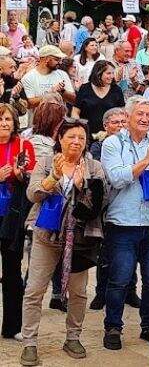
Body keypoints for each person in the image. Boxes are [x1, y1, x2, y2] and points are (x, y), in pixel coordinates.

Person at [21, 118, 106, 366]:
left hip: (79, 239)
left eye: (81, 137)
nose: (76, 142)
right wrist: (54, 178)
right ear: (60, 139)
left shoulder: (94, 166)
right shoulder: (47, 162)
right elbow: (32, 194)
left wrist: (82, 186)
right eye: (71, 137)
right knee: (35, 290)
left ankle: (73, 337)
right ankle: (29, 342)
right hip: (46, 235)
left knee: (78, 292)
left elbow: (101, 202)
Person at [100, 96, 149, 351]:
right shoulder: (112, 143)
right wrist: (146, 160)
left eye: (148, 115)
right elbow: (118, 178)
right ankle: (113, 326)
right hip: (123, 221)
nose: (144, 119)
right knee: (120, 279)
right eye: (140, 114)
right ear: (128, 116)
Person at [0, 104, 35, 339]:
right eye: (0, 119)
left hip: (12, 214)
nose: (4, 123)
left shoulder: (24, 145)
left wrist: (21, 174)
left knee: (12, 270)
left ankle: (13, 326)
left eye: (8, 119)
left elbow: (32, 177)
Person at [22, 45, 75, 123]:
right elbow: (30, 104)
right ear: (46, 59)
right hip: (38, 124)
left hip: (60, 123)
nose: (60, 62)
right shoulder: (29, 77)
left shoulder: (62, 74)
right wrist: (51, 93)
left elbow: (74, 100)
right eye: (57, 59)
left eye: (60, 60)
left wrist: (63, 91)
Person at [72, 60, 125, 138]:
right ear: (98, 74)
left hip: (110, 135)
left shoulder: (116, 90)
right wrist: (80, 128)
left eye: (113, 73)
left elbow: (122, 113)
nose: (112, 76)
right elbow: (75, 112)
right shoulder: (85, 88)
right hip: (87, 134)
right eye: (108, 73)